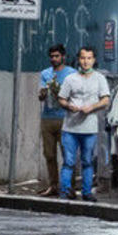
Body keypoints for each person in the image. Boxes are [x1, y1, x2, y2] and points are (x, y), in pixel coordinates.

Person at [57, 46, 110, 202]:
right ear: (78, 59)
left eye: (89, 58)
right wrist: (68, 106)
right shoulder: (70, 79)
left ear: (93, 60)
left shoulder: (100, 78)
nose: (85, 61)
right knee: (69, 162)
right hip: (70, 128)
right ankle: (65, 191)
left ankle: (87, 192)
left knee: (87, 161)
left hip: (89, 127)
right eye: (82, 58)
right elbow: (61, 99)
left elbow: (106, 100)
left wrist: (92, 107)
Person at [38, 44, 77, 197]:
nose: (54, 59)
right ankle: (53, 185)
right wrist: (42, 93)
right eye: (52, 56)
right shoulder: (45, 74)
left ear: (63, 57)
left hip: (65, 119)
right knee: (49, 154)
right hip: (47, 118)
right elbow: (41, 96)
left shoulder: (71, 74)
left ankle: (69, 187)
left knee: (67, 154)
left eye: (57, 56)